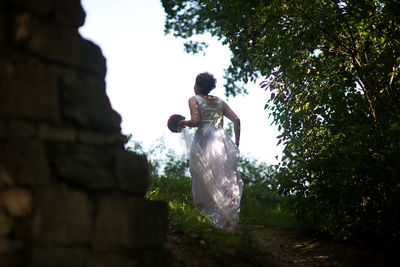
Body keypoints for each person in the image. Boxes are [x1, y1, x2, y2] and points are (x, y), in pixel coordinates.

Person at [178, 72, 243, 230]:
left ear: (197, 86)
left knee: (201, 175)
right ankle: (225, 218)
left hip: (204, 139)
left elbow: (196, 121)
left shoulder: (194, 100)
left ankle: (205, 216)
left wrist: (182, 122)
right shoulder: (220, 101)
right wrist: (236, 143)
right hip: (221, 139)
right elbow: (237, 120)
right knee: (221, 177)